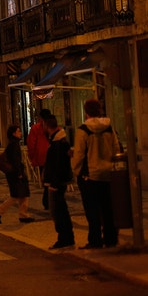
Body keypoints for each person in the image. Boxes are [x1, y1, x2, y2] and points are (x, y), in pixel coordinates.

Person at [72, 98, 122, 249]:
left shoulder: (83, 130)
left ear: (86, 112)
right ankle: (111, 238)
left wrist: (76, 170)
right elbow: (116, 149)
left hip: (90, 175)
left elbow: (79, 154)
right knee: (108, 208)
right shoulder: (109, 128)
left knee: (92, 211)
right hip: (108, 174)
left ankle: (95, 240)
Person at [43, 115, 75, 249]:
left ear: (47, 126)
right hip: (58, 181)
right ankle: (67, 237)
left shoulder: (57, 143)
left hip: (56, 183)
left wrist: (53, 184)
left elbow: (57, 165)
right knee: (60, 209)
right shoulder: (59, 141)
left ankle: (64, 238)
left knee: (57, 211)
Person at [0, 125, 34, 224]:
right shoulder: (14, 144)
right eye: (18, 131)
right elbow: (15, 160)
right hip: (15, 173)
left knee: (23, 193)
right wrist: (19, 173)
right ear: (14, 133)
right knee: (16, 194)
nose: (20, 133)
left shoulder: (12, 144)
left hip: (13, 172)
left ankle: (23, 215)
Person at [27, 108, 52, 210]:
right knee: (51, 179)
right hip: (52, 156)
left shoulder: (36, 128)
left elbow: (31, 144)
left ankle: (47, 200)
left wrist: (32, 157)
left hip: (42, 157)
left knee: (45, 179)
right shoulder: (53, 126)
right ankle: (48, 200)